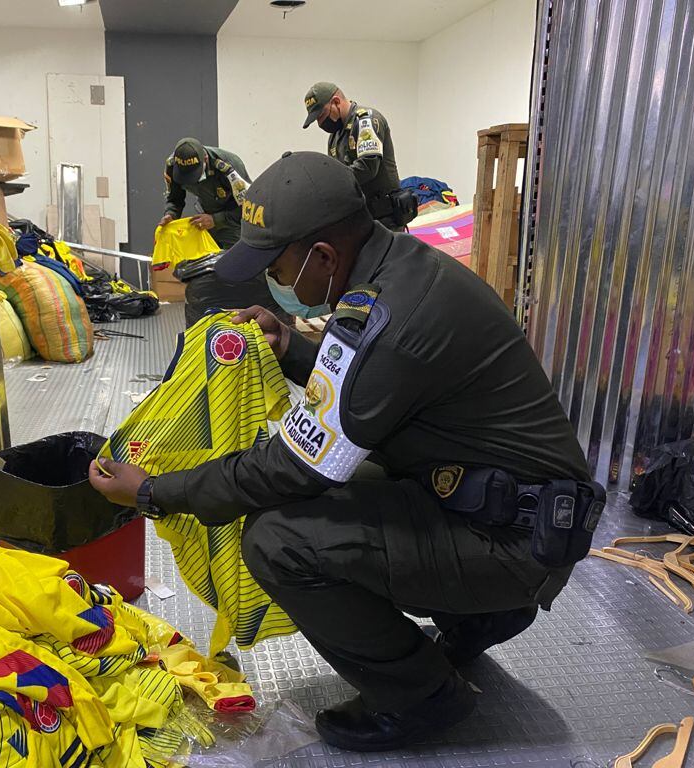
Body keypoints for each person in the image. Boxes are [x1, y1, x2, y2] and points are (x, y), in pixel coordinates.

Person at [92, 151, 601, 752]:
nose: (275, 281)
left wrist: (155, 492)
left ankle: (421, 698)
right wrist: (291, 348)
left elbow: (294, 466)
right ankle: (477, 619)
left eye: (276, 265)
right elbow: (373, 395)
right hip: (511, 509)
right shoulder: (403, 270)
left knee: (277, 539)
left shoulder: (389, 316)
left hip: (516, 544)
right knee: (362, 475)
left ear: (324, 255)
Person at [159, 137, 291, 326]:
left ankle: (248, 320)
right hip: (206, 216)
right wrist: (170, 215)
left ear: (204, 159)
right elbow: (175, 198)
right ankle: (215, 320)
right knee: (209, 272)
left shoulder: (228, 166)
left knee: (241, 271)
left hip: (234, 218)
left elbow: (248, 207)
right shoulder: (172, 166)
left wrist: (216, 220)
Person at [302, 81, 415, 229]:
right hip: (361, 218)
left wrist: (330, 182)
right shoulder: (335, 137)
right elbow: (336, 171)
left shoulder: (365, 120)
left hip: (386, 220)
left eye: (321, 115)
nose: (320, 123)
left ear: (336, 102)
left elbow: (367, 167)